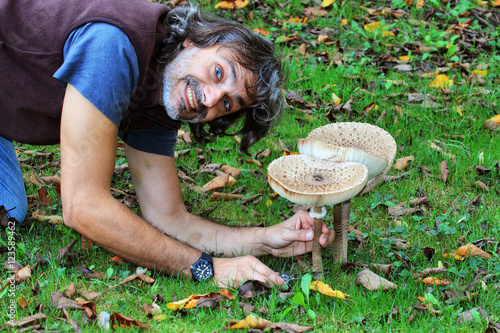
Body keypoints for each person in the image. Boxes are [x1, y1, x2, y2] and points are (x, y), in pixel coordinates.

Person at [0, 0, 334, 287]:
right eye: (219, 72)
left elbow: (169, 217)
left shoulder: (165, 89)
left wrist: (265, 240)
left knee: (11, 209)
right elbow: (83, 206)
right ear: (195, 40)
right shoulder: (113, 47)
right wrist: (206, 268)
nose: (210, 99)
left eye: (228, 104)